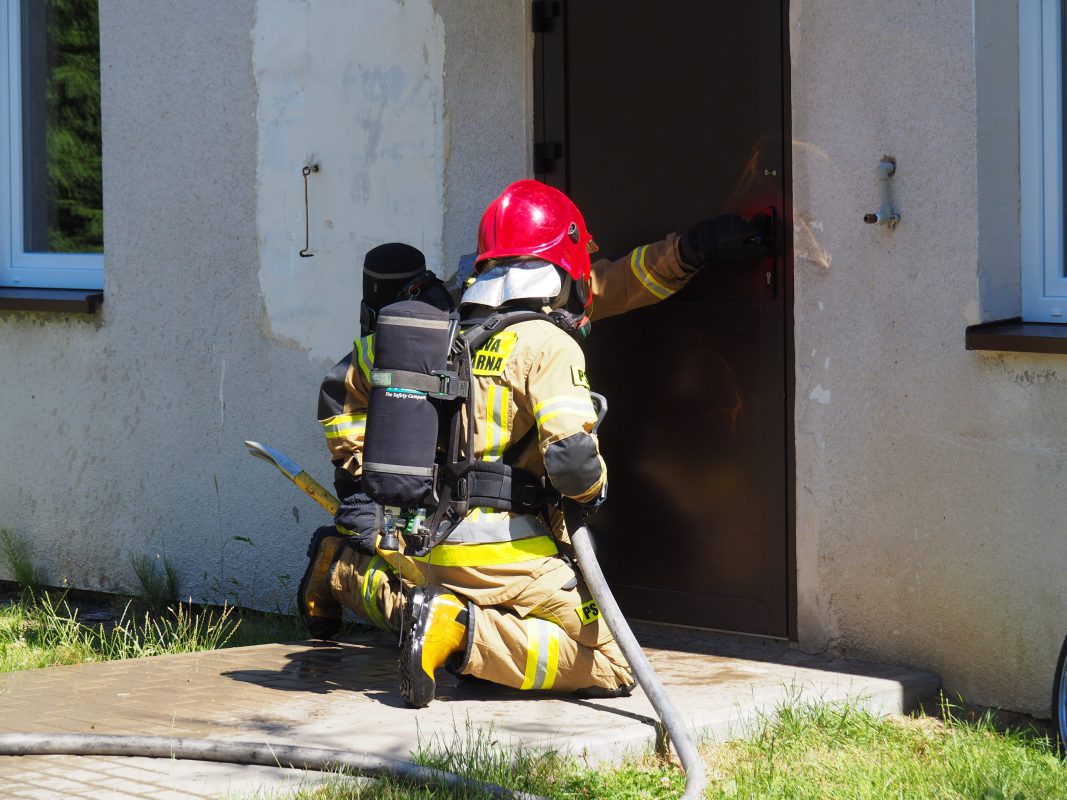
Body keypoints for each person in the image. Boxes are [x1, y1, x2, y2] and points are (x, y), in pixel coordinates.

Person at [298, 180, 770, 705]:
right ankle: (461, 633)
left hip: (424, 540)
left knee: (421, 598)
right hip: (508, 551)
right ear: (561, 262)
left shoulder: (432, 329)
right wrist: (593, 493)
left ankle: (342, 569)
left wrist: (360, 485)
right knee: (613, 662)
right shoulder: (545, 338)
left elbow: (342, 383)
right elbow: (573, 462)